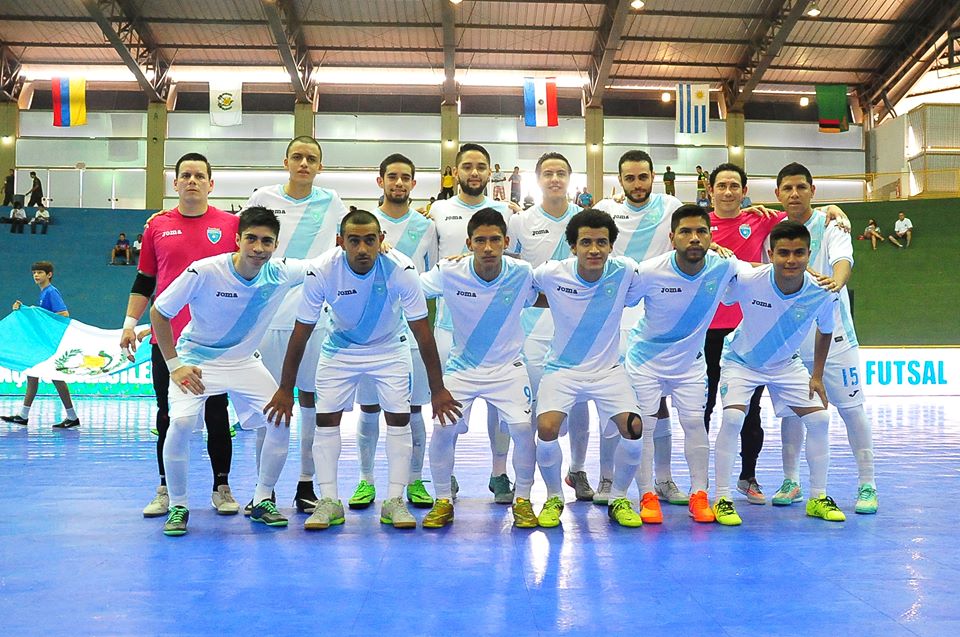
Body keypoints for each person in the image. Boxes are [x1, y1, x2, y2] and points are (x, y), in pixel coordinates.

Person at [264, 210, 461, 531]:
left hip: (389, 349)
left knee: (399, 419)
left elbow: (423, 332)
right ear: (340, 241)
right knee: (326, 421)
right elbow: (301, 332)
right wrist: (287, 389)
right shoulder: (322, 270)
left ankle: (394, 500)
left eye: (370, 240)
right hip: (339, 350)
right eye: (354, 241)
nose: (362, 249)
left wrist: (438, 390)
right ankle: (329, 501)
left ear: (381, 240)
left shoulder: (401, 269)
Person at [149, 207, 308, 536]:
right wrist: (174, 365)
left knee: (280, 419)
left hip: (244, 362)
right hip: (197, 361)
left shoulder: (281, 273)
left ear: (276, 245)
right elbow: (159, 312)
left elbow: (331, 262)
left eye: (267, 241)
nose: (258, 248)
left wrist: (383, 246)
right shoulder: (205, 271)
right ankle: (178, 505)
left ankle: (262, 499)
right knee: (180, 424)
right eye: (251, 239)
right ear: (237, 239)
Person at [119, 152, 240, 519]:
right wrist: (129, 323)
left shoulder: (232, 225)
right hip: (168, 340)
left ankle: (221, 486)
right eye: (185, 175)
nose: (192, 181)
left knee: (217, 412)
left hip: (214, 341)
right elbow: (145, 280)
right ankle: (165, 488)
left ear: (211, 184)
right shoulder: (157, 226)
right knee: (167, 414)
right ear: (175, 183)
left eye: (199, 176)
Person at [626, 205, 754, 525]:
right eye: (686, 232)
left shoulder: (724, 266)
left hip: (690, 365)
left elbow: (763, 273)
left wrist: (809, 273)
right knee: (645, 426)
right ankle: (647, 494)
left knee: (695, 423)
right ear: (672, 238)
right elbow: (620, 298)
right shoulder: (650, 271)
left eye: (701, 232)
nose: (694, 238)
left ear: (711, 237)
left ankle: (699, 495)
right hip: (645, 362)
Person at [242, 135, 349, 515]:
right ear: (285, 161)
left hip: (315, 320)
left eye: (312, 159)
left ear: (320, 166)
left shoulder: (332, 202)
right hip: (267, 321)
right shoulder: (263, 198)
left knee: (311, 405)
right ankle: (264, 491)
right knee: (269, 408)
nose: (304, 164)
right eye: (298, 157)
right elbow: (238, 239)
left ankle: (306, 484)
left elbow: (353, 239)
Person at [712, 220, 844, 525]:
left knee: (820, 419)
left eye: (799, 253)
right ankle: (722, 498)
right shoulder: (749, 279)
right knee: (732, 418)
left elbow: (825, 330)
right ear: (770, 254)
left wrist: (817, 376)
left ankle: (818, 498)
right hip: (741, 362)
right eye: (783, 253)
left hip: (786, 365)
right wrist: (716, 247)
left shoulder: (822, 292)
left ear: (809, 254)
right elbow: (725, 268)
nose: (791, 260)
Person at [419, 208, 541, 528]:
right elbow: (409, 286)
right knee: (443, 429)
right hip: (463, 368)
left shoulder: (522, 272)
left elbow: (556, 286)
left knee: (523, 429)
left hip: (508, 367)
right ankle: (443, 500)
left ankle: (523, 500)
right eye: (480, 241)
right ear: (469, 243)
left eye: (495, 240)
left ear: (506, 242)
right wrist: (385, 251)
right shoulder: (449, 271)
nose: (488, 247)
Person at [533, 208, 647, 528]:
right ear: (573, 247)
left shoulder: (626, 270)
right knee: (546, 428)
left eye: (601, 242)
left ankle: (619, 497)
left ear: (611, 246)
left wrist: (714, 249)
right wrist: (465, 258)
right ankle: (554, 497)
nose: (594, 249)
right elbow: (512, 277)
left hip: (608, 370)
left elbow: (663, 273)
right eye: (586, 242)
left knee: (634, 428)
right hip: (562, 370)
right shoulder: (551, 273)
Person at [775, 162, 878, 514]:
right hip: (790, 343)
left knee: (852, 410)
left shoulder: (832, 223)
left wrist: (837, 281)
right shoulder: (772, 231)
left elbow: (843, 259)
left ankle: (867, 484)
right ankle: (791, 480)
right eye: (787, 188)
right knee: (792, 415)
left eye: (801, 187)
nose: (794, 194)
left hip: (835, 340)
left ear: (812, 191)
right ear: (777, 194)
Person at [593, 149, 684, 510]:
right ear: (620, 180)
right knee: (611, 403)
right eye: (629, 178)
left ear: (653, 177)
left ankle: (664, 479)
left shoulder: (671, 206)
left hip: (655, 319)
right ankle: (606, 478)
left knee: (658, 404)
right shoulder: (605, 209)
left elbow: (702, 230)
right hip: (612, 318)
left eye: (642, 177)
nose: (637, 184)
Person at [429, 143, 516, 503]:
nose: (475, 172)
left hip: (496, 325)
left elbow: (513, 258)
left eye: (481, 166)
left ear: (490, 172)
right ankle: (445, 477)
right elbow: (431, 262)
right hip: (451, 326)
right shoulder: (438, 210)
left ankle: (499, 473)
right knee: (448, 407)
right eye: (467, 166)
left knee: (502, 407)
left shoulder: (506, 211)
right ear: (456, 171)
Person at [352, 153, 438, 510]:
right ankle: (366, 480)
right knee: (370, 407)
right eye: (392, 177)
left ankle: (415, 480)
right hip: (370, 333)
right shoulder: (365, 225)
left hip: (411, 334)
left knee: (413, 409)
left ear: (414, 184)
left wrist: (426, 332)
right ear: (381, 181)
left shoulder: (426, 227)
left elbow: (431, 283)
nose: (399, 183)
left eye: (405, 177)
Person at [507, 152, 594, 502]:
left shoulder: (586, 220)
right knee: (530, 407)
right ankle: (524, 480)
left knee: (580, 400)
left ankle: (578, 470)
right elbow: (509, 270)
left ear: (570, 178)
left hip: (577, 326)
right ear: (538, 179)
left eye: (561, 173)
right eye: (548, 173)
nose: (555, 179)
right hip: (531, 327)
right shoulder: (520, 222)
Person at [704, 163, 782, 505]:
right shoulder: (698, 225)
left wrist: (834, 209)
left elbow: (804, 217)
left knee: (750, 409)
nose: (728, 192)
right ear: (710, 190)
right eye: (721, 186)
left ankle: (748, 476)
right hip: (706, 330)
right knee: (704, 406)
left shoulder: (760, 219)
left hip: (748, 330)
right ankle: (701, 481)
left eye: (734, 186)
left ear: (744, 191)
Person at [1, 261, 80, 429]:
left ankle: (72, 417)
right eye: (34, 273)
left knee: (56, 378)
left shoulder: (51, 292)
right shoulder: (44, 293)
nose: (36, 275)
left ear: (49, 275)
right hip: (45, 343)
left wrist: (33, 312)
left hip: (52, 345)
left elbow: (64, 314)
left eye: (40, 272)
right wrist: (26, 310)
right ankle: (23, 415)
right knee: (33, 374)